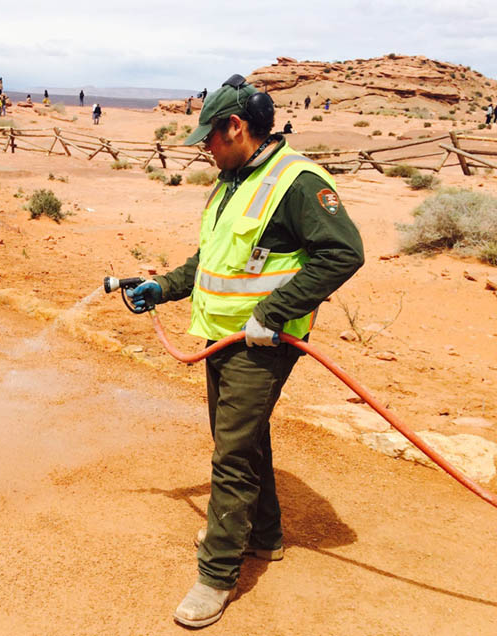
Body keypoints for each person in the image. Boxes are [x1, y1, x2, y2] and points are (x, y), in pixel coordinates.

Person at [125, 74, 364, 628]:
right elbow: (211, 261)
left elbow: (342, 253)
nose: (204, 149)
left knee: (230, 453)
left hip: (264, 343)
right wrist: (163, 287)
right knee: (244, 439)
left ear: (235, 127)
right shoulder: (232, 180)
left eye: (208, 137)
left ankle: (216, 575)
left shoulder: (298, 182)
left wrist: (272, 314)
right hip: (224, 337)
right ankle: (265, 535)